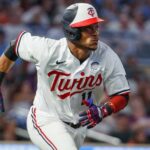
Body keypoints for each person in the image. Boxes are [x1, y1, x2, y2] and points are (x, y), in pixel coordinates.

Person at [0, 3, 130, 150]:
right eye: (88, 28)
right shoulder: (48, 50)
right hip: (46, 119)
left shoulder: (107, 55)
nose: (95, 33)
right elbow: (15, 45)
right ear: (72, 31)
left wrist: (105, 109)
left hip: (79, 126)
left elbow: (122, 94)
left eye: (96, 27)